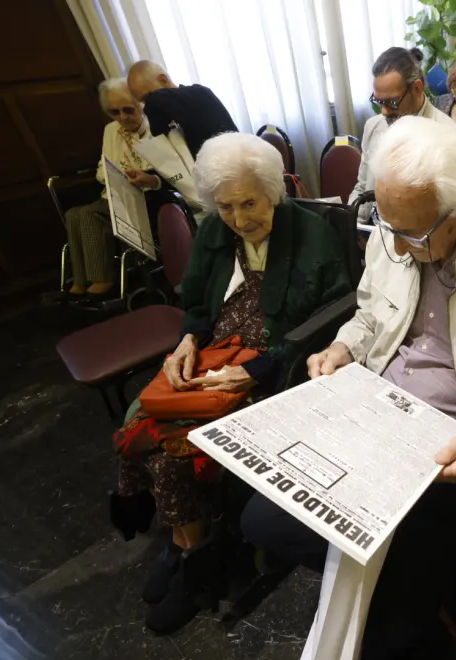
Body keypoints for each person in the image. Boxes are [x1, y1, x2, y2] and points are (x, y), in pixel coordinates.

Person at [240, 115, 456, 658]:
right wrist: (344, 347)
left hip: (455, 448)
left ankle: (403, 604)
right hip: (377, 412)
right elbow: (371, 315)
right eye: (386, 225)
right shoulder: (395, 234)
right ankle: (400, 595)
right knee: (262, 521)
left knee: (392, 627)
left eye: (412, 234)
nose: (394, 242)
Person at [110, 132, 351, 635]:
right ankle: (184, 546)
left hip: (273, 366)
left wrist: (256, 370)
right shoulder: (215, 232)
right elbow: (197, 299)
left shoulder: (313, 235)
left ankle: (194, 563)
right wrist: (187, 341)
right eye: (225, 206)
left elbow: (328, 324)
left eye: (249, 203)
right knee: (141, 420)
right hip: (215, 352)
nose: (239, 219)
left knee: (177, 451)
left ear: (273, 192)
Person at [62, 78, 156, 301]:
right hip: (115, 193)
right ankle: (80, 280)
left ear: (140, 105)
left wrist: (130, 175)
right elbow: (101, 170)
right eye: (115, 112)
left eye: (128, 110)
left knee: (88, 213)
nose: (122, 117)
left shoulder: (154, 126)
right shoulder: (111, 130)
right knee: (72, 214)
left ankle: (103, 278)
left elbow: (157, 170)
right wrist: (118, 175)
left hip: (145, 196)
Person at [349, 47, 454, 222]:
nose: (383, 111)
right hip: (373, 232)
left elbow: (449, 214)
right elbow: (362, 187)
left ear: (417, 88)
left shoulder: (447, 136)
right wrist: (352, 224)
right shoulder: (373, 127)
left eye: (391, 102)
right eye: (379, 101)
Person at [126, 60, 237, 158]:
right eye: (143, 102)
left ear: (164, 80)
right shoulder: (162, 114)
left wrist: (152, 100)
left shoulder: (198, 94)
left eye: (147, 98)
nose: (147, 106)